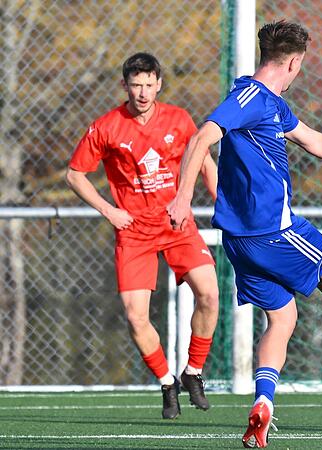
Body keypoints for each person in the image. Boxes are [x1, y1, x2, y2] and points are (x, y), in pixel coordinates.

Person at [166, 20, 322, 448]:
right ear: (294, 62)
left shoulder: (270, 102)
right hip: (274, 232)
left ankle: (263, 405)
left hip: (241, 243)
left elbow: (313, 140)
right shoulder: (251, 98)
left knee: (283, 317)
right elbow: (202, 136)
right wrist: (183, 199)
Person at [66, 53, 219, 419]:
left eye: (150, 84)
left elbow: (206, 166)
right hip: (134, 233)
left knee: (210, 295)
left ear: (159, 84)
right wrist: (110, 210)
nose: (143, 92)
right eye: (136, 85)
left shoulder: (179, 119)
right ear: (125, 86)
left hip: (177, 224)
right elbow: (74, 175)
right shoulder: (106, 127)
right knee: (136, 317)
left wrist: (224, 209)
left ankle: (193, 371)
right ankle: (168, 383)